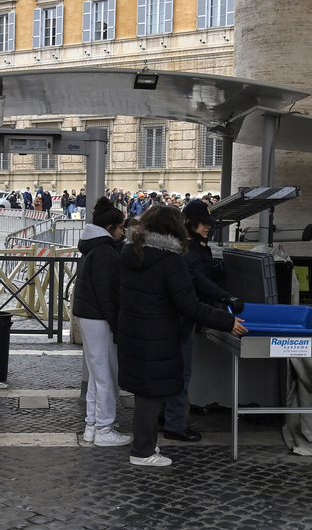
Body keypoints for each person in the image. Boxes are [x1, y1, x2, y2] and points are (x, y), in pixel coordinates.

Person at [117, 205, 248, 467]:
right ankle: (142, 451)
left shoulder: (130, 251)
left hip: (134, 330)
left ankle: (146, 444)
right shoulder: (169, 260)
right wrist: (227, 320)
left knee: (146, 392)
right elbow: (189, 305)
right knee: (151, 393)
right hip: (158, 334)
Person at [162, 200, 244, 442]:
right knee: (179, 372)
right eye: (204, 223)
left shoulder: (194, 245)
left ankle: (167, 418)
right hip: (180, 319)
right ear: (188, 222)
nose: (208, 227)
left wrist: (228, 265)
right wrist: (225, 296)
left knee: (174, 372)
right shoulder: (185, 248)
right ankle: (174, 424)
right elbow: (197, 278)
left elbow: (204, 273)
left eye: (210, 224)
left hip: (183, 318)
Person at [72, 197, 132, 447]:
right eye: (121, 228)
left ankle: (92, 425)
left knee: (97, 373)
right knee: (106, 374)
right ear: (110, 228)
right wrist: (117, 327)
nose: (123, 233)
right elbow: (107, 294)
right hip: (99, 317)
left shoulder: (93, 247)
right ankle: (104, 428)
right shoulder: (105, 252)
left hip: (88, 315)